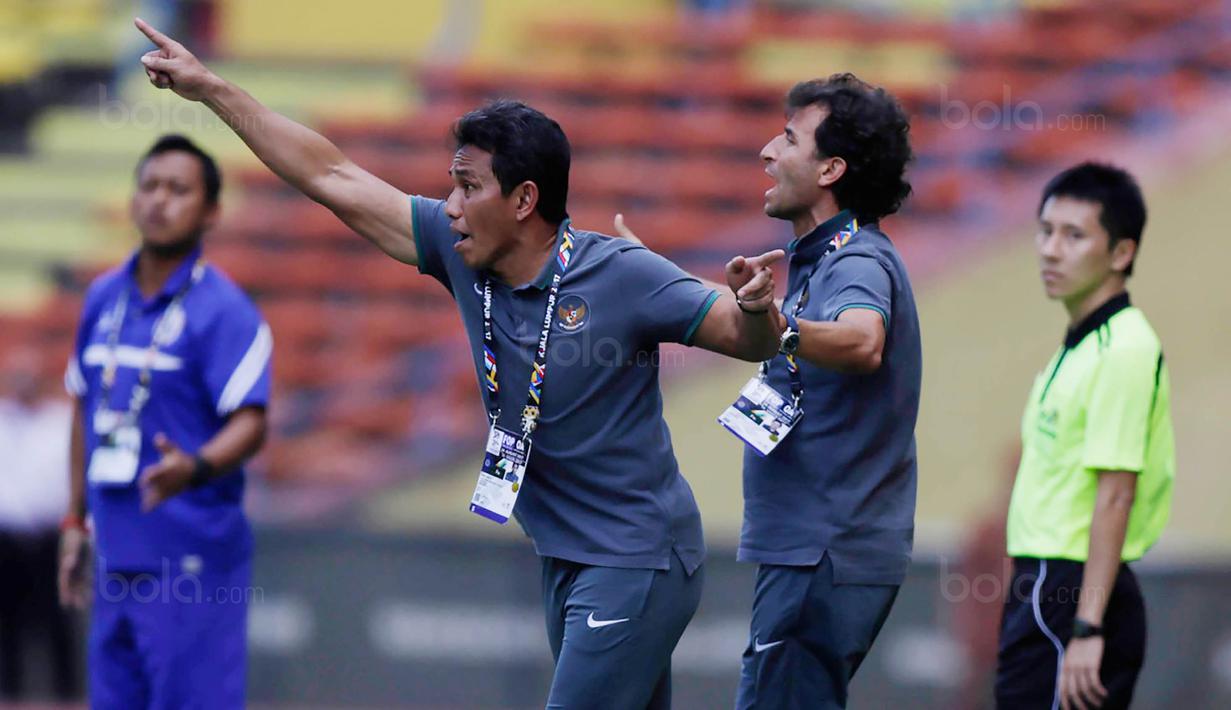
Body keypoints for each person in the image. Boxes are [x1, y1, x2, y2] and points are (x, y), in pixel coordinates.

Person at [134, 18, 785, 709]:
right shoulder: (459, 252)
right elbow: (331, 175)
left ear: (524, 200)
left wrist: (752, 307)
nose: (449, 206)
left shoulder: (621, 273)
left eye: (467, 187)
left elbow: (749, 339)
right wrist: (211, 91)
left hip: (636, 558)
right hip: (567, 555)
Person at [59, 133, 272, 709]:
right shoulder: (103, 297)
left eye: (178, 190)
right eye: (149, 185)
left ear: (211, 212)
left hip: (190, 556)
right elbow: (82, 404)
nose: (158, 200)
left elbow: (252, 421)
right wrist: (75, 521)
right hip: (116, 550)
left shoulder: (224, 310)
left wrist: (197, 465)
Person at [729, 74, 920, 710]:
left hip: (824, 552)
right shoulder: (818, 261)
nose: (767, 151)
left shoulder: (857, 260)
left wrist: (780, 326)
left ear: (831, 168)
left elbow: (862, 341)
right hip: (814, 553)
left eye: (788, 139)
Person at [996, 163, 1174, 710]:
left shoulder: (1123, 349)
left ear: (1121, 253)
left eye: (1074, 236)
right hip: (1046, 585)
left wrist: (1088, 627)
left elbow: (1116, 491)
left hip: (1069, 595)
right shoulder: (1078, 345)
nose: (1051, 250)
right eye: (1045, 230)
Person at [0, 349, 78, 701]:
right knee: (6, 633)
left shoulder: (62, 420)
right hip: (6, 540)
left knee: (59, 630)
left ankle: (68, 700)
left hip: (51, 540)